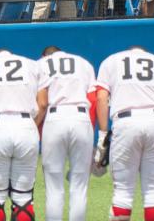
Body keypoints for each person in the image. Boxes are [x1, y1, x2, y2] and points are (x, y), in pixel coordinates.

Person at [95, 46, 154, 221]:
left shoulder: (111, 61)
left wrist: (102, 135)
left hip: (126, 122)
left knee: (123, 192)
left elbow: (101, 97)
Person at [0, 48, 48, 221]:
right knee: (23, 197)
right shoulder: (33, 64)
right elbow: (43, 104)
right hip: (26, 125)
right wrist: (31, 127)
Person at [38, 45, 96, 221]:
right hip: (81, 117)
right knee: (79, 188)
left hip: (55, 117)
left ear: (45, 55)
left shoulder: (41, 64)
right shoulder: (83, 63)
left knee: (54, 189)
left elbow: (41, 103)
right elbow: (93, 100)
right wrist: (91, 135)